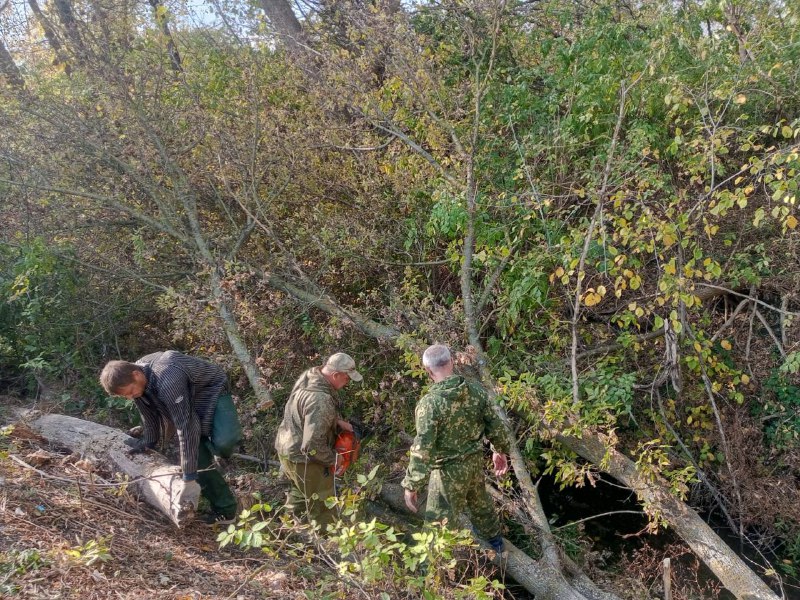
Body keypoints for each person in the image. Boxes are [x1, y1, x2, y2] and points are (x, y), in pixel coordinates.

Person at [99, 350, 242, 524]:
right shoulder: (138, 381)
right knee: (198, 458)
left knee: (224, 442)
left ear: (136, 374)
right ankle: (226, 511)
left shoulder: (168, 376)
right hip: (184, 401)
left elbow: (185, 424)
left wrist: (188, 476)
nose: (130, 397)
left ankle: (215, 452)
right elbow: (149, 415)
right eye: (125, 396)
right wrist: (148, 442)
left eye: (129, 392)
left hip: (211, 391)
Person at [401, 344, 510, 553]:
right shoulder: (476, 390)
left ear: (428, 371)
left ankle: (432, 574)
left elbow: (423, 448)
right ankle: (496, 545)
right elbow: (495, 426)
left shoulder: (429, 404)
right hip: (474, 462)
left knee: (437, 526)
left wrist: (412, 484)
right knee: (481, 504)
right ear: (451, 362)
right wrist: (500, 451)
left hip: (446, 472)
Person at [274, 352, 362, 529]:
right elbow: (312, 445)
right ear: (336, 375)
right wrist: (334, 459)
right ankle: (327, 543)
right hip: (304, 457)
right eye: (346, 379)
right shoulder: (321, 399)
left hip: (287, 447)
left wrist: (336, 421)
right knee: (323, 502)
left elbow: (304, 409)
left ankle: (289, 531)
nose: (347, 383)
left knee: (299, 494)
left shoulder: (309, 376)